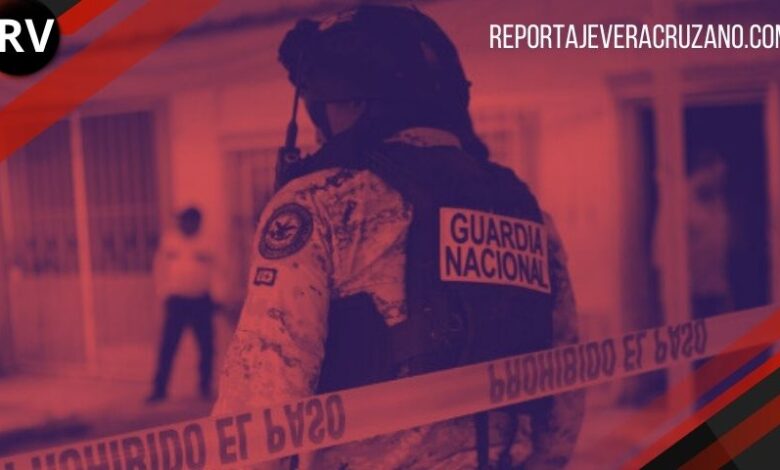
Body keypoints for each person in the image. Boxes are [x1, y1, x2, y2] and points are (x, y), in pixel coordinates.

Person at [214, 5, 584, 468]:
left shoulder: (322, 204)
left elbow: (261, 404)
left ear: (350, 102)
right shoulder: (526, 211)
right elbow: (563, 395)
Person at [147, 207, 216, 403]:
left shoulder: (209, 242)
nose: (186, 224)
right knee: (168, 346)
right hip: (177, 301)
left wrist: (218, 296)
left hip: (201, 300)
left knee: (206, 346)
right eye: (183, 221)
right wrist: (163, 293)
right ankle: (159, 389)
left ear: (198, 222)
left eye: (190, 221)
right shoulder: (169, 241)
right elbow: (159, 268)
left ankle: (205, 386)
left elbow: (220, 270)